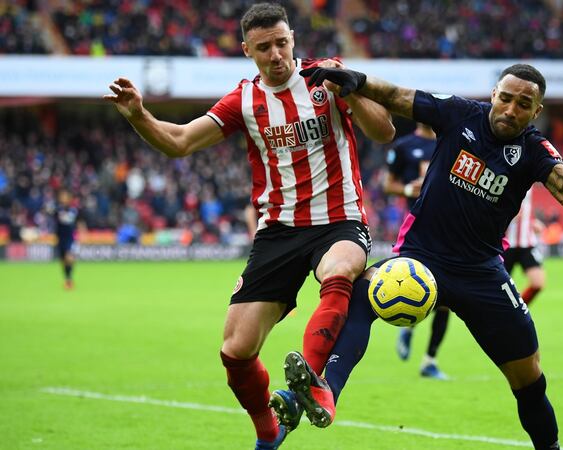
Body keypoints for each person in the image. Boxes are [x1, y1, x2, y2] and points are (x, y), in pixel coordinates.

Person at [103, 4, 395, 449]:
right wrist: (139, 115)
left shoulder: (327, 77)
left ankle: (312, 382)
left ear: (292, 39)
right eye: (264, 47)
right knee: (235, 350)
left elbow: (384, 131)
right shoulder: (243, 101)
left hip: (340, 219)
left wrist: (352, 92)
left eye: (282, 43)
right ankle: (268, 434)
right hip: (278, 230)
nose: (276, 54)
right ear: (246, 50)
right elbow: (179, 142)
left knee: (339, 272)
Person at [273, 63, 563, 449]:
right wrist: (358, 81)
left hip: (482, 273)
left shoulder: (534, 148)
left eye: (523, 104)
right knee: (359, 294)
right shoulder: (460, 113)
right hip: (420, 259)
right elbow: (397, 96)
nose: (511, 109)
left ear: (536, 111)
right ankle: (326, 391)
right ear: (494, 94)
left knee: (529, 380)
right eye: (506, 98)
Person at [383, 122, 450, 379]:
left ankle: (429, 360)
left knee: (447, 300)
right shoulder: (404, 146)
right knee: (420, 284)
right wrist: (408, 189)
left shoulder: (449, 140)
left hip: (449, 227)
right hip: (418, 230)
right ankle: (408, 323)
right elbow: (388, 184)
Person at [504, 187, 548, 305]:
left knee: (538, 283)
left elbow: (527, 207)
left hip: (527, 242)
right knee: (496, 287)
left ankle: (518, 310)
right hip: (506, 244)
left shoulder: (530, 183)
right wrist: (508, 215)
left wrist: (532, 221)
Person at [51, 189, 83, 290]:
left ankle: (69, 280)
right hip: (60, 238)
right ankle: (67, 278)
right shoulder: (57, 210)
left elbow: (79, 222)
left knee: (69, 258)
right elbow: (53, 222)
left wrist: (81, 232)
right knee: (63, 261)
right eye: (61, 196)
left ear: (69, 198)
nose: (63, 198)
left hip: (70, 238)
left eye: (65, 196)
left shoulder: (74, 210)